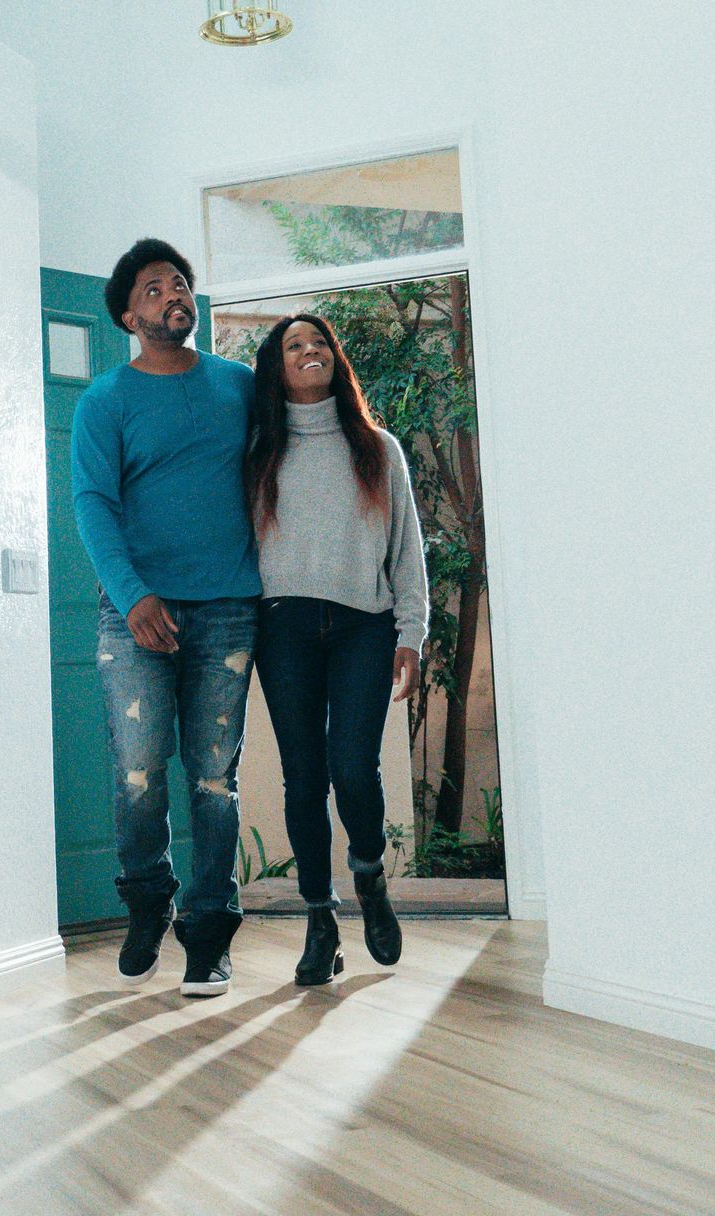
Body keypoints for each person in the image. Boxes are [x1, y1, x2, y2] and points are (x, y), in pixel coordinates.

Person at [71, 238, 260, 997]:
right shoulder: (105, 400)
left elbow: (291, 454)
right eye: (153, 289)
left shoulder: (240, 385)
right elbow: (92, 503)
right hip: (134, 615)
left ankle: (209, 932)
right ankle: (149, 902)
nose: (171, 295)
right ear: (128, 313)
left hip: (228, 612)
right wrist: (134, 595)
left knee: (215, 778)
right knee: (140, 772)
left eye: (179, 284)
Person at [244, 313, 429, 986]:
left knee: (353, 769)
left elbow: (407, 551)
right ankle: (320, 921)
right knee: (304, 777)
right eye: (295, 345)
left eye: (319, 341)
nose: (309, 350)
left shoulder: (378, 448)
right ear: (278, 366)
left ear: (335, 359)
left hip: (364, 626)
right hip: (283, 626)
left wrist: (412, 632)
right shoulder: (259, 449)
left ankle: (369, 877)